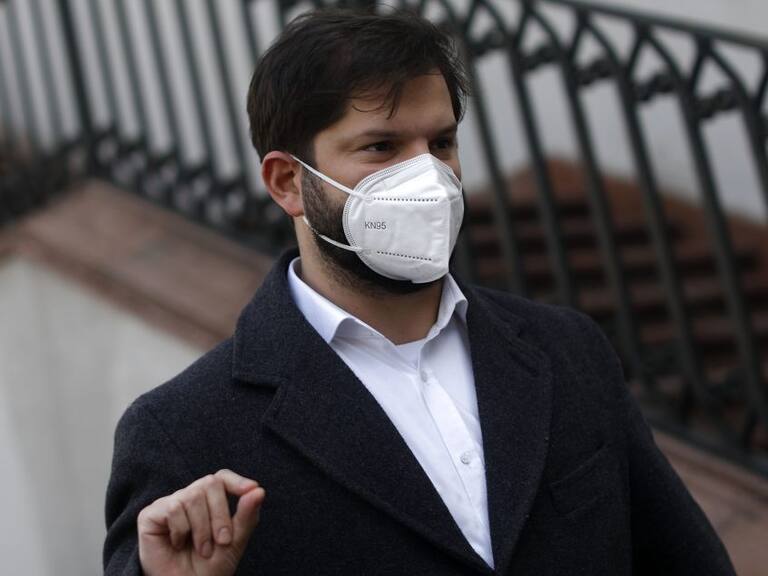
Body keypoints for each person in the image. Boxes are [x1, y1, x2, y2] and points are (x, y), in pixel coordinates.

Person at [103, 7, 736, 576]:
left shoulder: (567, 350)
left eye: (441, 143)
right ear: (288, 183)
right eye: (381, 147)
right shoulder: (182, 433)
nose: (428, 176)